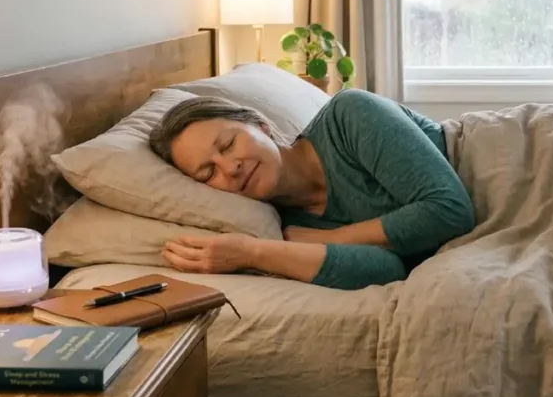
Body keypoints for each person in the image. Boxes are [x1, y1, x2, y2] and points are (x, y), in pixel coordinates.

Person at [148, 88, 475, 290]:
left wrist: (329, 239)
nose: (230, 167)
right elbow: (388, 269)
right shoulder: (292, 229)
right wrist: (253, 252)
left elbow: (450, 209)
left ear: (260, 125)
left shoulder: (350, 114)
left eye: (229, 143)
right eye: (208, 173)